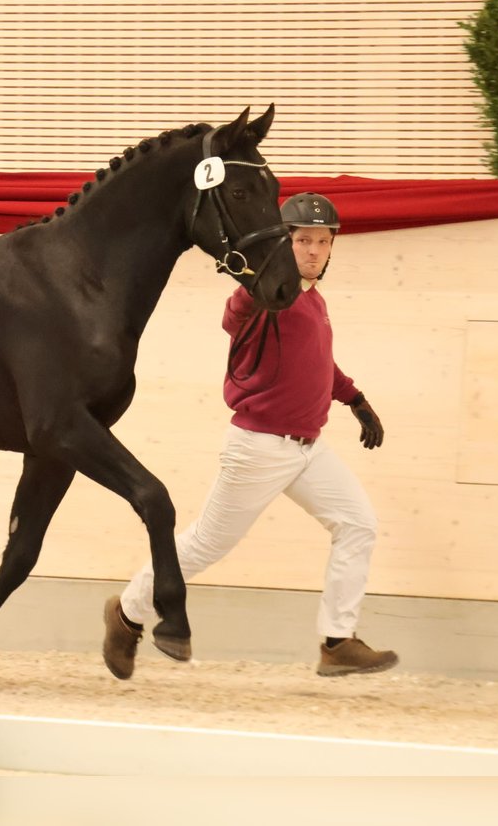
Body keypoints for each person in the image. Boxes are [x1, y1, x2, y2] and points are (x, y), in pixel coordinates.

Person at [103, 191, 398, 680]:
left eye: (322, 242)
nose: (313, 250)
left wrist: (355, 400)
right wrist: (252, 284)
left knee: (358, 523)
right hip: (259, 446)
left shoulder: (314, 299)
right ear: (285, 242)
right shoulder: (264, 296)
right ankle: (128, 614)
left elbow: (319, 364)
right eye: (303, 240)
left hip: (308, 448)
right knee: (204, 545)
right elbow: (232, 315)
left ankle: (337, 641)